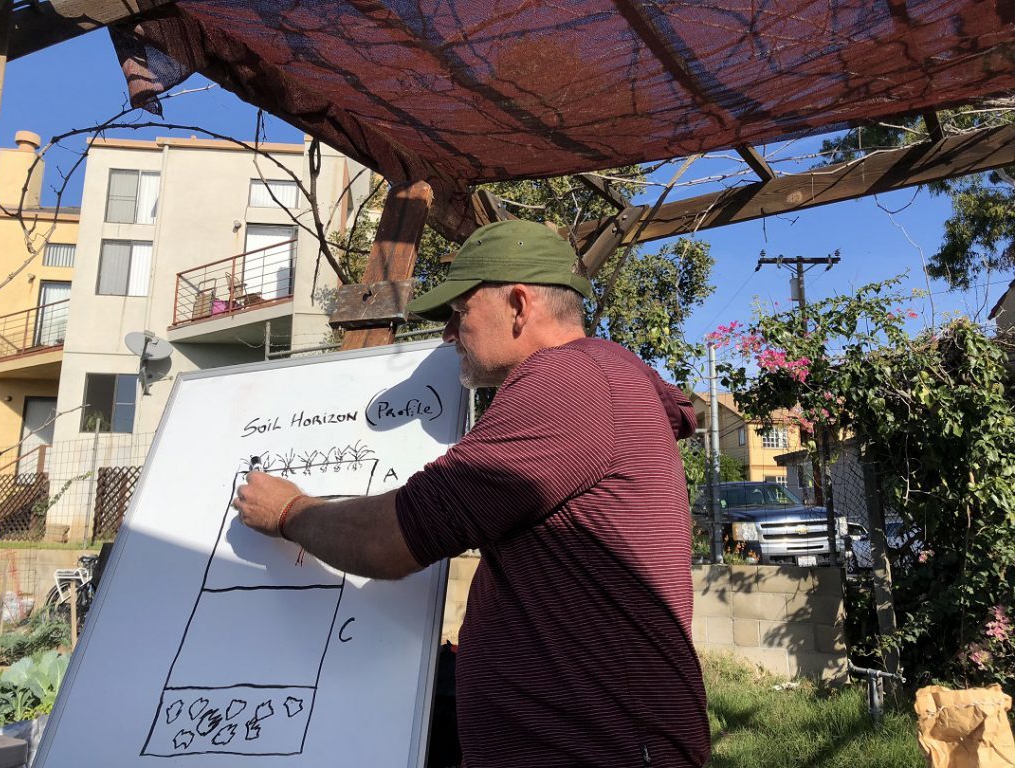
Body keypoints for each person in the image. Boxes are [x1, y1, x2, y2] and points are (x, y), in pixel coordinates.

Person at [234, 219, 710, 767]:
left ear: (518, 304)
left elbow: (398, 536)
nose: (447, 334)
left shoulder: (572, 383)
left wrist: (290, 511)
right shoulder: (593, 381)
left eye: (459, 312)